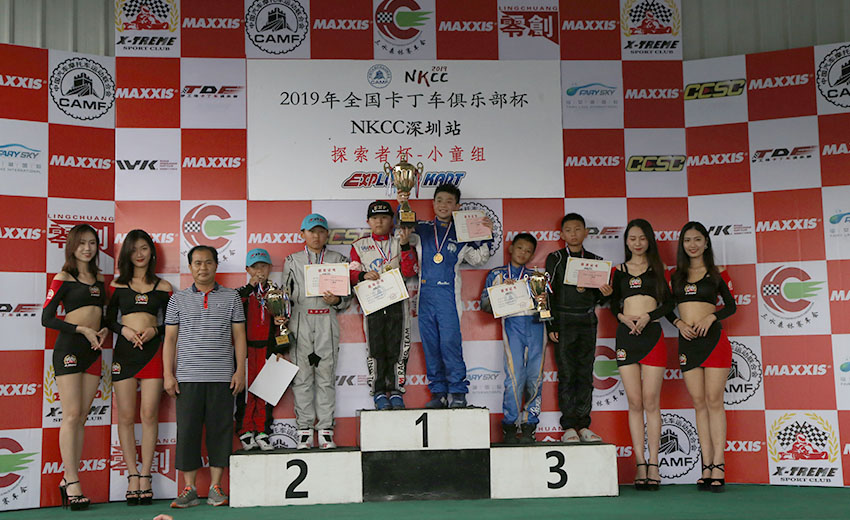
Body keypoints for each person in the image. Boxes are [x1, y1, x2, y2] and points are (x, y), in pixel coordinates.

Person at [163, 245, 246, 508]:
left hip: (222, 377)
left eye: (208, 262)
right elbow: (170, 339)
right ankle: (189, 489)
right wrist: (168, 374)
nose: (203, 267)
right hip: (187, 377)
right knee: (187, 431)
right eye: (197, 263)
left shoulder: (232, 298)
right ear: (190, 267)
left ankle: (215, 488)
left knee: (220, 432)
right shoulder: (177, 300)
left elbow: (239, 336)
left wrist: (240, 371)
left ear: (216, 265)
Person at [401, 184, 493, 408]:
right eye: (439, 200)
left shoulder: (462, 233)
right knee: (430, 345)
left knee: (450, 344)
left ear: (457, 207)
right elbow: (402, 227)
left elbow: (479, 259)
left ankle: (458, 392)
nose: (443, 205)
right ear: (433, 204)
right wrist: (402, 201)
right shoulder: (422, 229)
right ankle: (438, 393)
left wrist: (486, 234)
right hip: (425, 297)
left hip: (448, 297)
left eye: (449, 201)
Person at [666, 222, 736, 492]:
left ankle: (719, 464)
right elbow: (666, 307)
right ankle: (705, 466)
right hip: (688, 344)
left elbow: (731, 306)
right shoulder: (675, 276)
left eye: (697, 239)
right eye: (687, 240)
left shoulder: (717, 272)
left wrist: (711, 317)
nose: (692, 245)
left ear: (706, 242)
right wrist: (678, 323)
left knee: (714, 401)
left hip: (713, 341)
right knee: (699, 403)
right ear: (682, 245)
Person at [42, 224, 107, 511]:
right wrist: (81, 329)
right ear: (72, 246)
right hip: (69, 349)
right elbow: (46, 318)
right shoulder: (63, 278)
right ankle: (72, 480)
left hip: (93, 351)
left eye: (92, 243)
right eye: (81, 243)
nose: (87, 248)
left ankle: (68, 478)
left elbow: (103, 315)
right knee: (70, 415)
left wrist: (103, 330)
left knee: (81, 416)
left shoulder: (100, 278)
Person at [106, 229, 172, 505]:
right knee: (125, 417)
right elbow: (108, 320)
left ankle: (146, 475)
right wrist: (124, 330)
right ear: (127, 254)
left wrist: (155, 330)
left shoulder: (164, 287)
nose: (139, 254)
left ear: (152, 252)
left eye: (144, 248)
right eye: (134, 249)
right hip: (124, 355)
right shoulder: (117, 285)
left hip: (152, 354)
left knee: (149, 415)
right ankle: (132, 475)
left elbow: (173, 323)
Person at [609, 219, 673, 491]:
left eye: (642, 238)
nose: (637, 243)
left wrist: (648, 316)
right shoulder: (618, 271)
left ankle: (654, 464)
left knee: (651, 402)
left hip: (652, 335)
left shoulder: (659, 269)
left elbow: (669, 303)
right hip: (626, 336)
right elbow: (612, 304)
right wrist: (623, 317)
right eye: (632, 238)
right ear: (626, 241)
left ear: (649, 241)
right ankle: (640, 464)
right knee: (635, 402)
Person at [284, 213, 351, 450]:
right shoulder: (292, 260)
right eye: (311, 231)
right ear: (302, 234)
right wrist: (281, 314)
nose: (316, 236)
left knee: (325, 376)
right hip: (300, 321)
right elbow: (284, 296)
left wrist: (337, 300)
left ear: (327, 235)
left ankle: (325, 431)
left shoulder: (337, 259)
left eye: (321, 231)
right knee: (301, 377)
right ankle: (304, 430)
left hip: (326, 319)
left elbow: (347, 297)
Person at [545, 213, 613, 443]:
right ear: (561, 234)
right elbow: (547, 293)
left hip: (587, 320)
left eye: (577, 229)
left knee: (585, 374)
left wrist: (606, 293)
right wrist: (551, 324)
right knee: (567, 374)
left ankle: (583, 425)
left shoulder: (596, 261)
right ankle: (568, 428)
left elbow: (599, 299)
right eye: (568, 230)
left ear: (586, 232)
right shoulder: (555, 258)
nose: (573, 234)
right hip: (563, 321)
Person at [349, 201, 418, 410]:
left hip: (398, 302)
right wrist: (363, 275)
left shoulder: (401, 241)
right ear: (368, 221)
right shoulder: (359, 245)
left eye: (384, 217)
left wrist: (404, 246)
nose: (379, 221)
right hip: (373, 303)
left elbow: (410, 271)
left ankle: (396, 390)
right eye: (375, 218)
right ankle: (379, 392)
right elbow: (351, 273)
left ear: (391, 221)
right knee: (376, 348)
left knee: (399, 347)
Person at [481, 233, 546, 443]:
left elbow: (545, 309)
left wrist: (540, 299)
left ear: (532, 255)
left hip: (536, 327)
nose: (523, 253)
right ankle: (509, 425)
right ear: (510, 249)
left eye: (528, 251)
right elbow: (484, 305)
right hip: (513, 327)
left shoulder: (537, 277)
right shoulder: (497, 274)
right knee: (515, 378)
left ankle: (529, 425)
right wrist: (502, 292)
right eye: (520, 248)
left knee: (535, 378)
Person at [235, 248, 289, 452]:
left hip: (268, 349)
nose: (260, 271)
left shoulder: (276, 293)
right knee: (246, 393)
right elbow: (233, 311)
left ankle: (262, 431)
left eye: (263, 266)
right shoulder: (241, 294)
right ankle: (245, 431)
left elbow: (282, 325)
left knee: (265, 393)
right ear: (247, 269)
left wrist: (281, 347)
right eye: (255, 267)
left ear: (270, 268)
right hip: (246, 351)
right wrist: (250, 287)